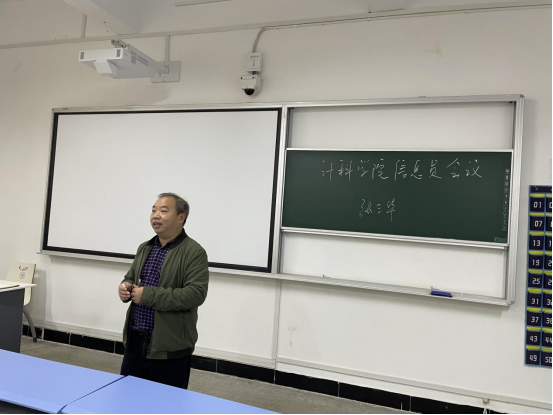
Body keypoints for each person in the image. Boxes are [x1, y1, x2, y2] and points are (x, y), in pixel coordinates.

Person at [118, 193, 209, 390]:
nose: (156, 215)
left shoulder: (194, 252)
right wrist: (125, 287)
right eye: (153, 210)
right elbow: (131, 277)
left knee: (166, 403)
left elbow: (195, 294)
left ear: (181, 217)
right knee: (127, 397)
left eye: (163, 211)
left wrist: (148, 295)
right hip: (136, 341)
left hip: (170, 347)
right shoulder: (145, 247)